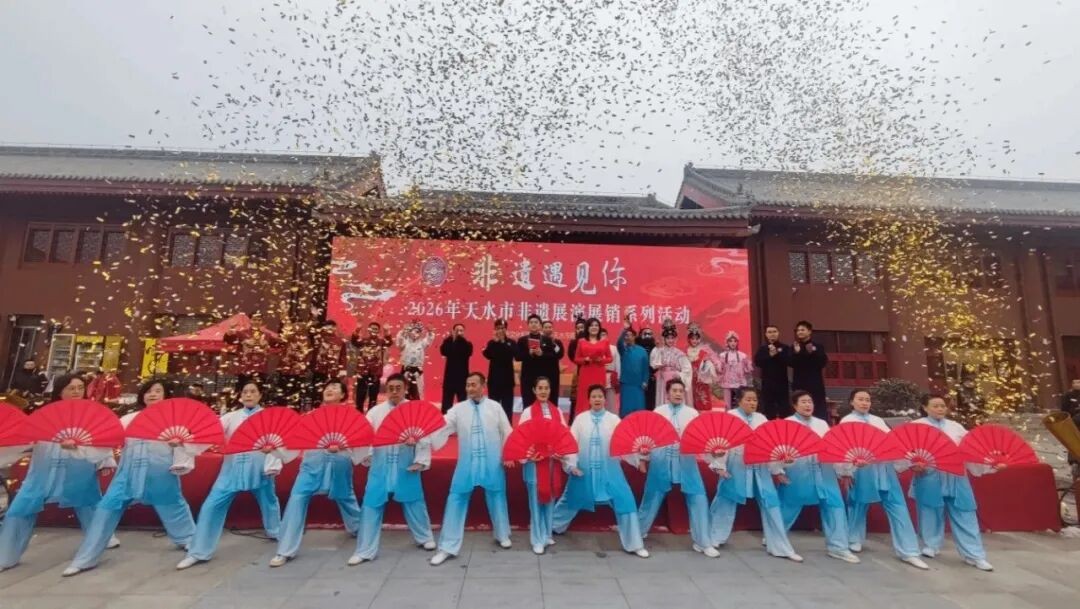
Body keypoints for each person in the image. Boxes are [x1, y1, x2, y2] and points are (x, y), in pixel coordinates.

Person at [64, 379, 202, 576]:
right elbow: (105, 440)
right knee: (105, 510)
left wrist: (180, 445)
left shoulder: (176, 421)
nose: (152, 394)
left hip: (160, 473)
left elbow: (193, 444)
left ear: (167, 396)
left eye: (158, 391)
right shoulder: (128, 419)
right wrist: (77, 446)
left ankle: (190, 541)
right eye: (148, 391)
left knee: (174, 506)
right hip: (127, 475)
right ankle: (85, 558)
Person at [0, 374, 117, 572]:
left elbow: (103, 439)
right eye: (71, 388)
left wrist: (105, 460)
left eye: (80, 387)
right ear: (60, 391)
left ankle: (103, 540)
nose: (76, 392)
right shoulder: (44, 414)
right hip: (43, 471)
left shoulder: (90, 413)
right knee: (20, 510)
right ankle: (5, 556)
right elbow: (27, 438)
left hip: (79, 469)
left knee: (89, 505)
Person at [177, 380, 285, 569]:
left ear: (260, 395)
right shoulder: (230, 417)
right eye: (245, 392)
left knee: (269, 501)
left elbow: (280, 443)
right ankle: (198, 551)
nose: (249, 395)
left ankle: (276, 531)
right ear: (240, 396)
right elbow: (210, 433)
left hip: (259, 468)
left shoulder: (268, 417)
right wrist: (185, 440)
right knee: (211, 506)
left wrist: (273, 458)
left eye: (253, 391)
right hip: (231, 469)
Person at [269, 380, 363, 567]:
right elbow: (294, 442)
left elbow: (361, 442)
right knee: (297, 499)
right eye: (327, 387)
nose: (329, 389)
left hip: (339, 463)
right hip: (312, 464)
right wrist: (274, 449)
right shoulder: (310, 417)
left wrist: (344, 446)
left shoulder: (350, 417)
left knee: (346, 497)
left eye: (335, 388)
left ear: (343, 395)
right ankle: (285, 549)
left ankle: (359, 529)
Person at [553, 384, 649, 558]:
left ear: (605, 399)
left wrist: (639, 457)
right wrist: (571, 466)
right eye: (594, 396)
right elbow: (571, 444)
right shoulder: (581, 419)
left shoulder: (614, 420)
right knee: (570, 500)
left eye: (600, 396)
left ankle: (634, 544)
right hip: (584, 470)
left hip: (610, 472)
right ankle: (552, 527)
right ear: (589, 400)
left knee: (626, 502)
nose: (597, 399)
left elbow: (624, 443)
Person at [708, 388, 803, 562]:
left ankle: (780, 546)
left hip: (760, 466)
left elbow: (769, 445)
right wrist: (719, 465)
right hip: (736, 463)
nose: (752, 403)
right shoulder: (730, 417)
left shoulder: (761, 419)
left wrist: (778, 468)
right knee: (725, 500)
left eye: (755, 400)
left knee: (771, 503)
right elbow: (721, 442)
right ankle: (713, 538)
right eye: (748, 399)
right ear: (739, 401)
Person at [350, 373, 436, 564]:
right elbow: (366, 435)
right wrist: (368, 455)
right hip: (380, 465)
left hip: (405, 463)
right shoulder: (375, 412)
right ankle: (365, 550)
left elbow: (424, 436)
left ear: (405, 389)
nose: (394, 392)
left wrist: (419, 457)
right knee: (371, 504)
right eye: (391, 388)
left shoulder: (414, 410)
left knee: (414, 500)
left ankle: (425, 537)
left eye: (398, 388)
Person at [429, 372, 513, 566]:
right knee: (456, 497)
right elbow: (442, 425)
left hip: (492, 460)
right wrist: (424, 433)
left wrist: (508, 454)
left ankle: (502, 534)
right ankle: (447, 546)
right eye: (468, 385)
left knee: (497, 494)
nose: (470, 388)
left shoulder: (495, 407)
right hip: (467, 462)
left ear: (483, 386)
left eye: (474, 384)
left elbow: (507, 431)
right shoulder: (458, 409)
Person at [840, 389, 929, 570]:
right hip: (862, 469)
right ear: (851, 402)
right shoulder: (847, 421)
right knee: (857, 504)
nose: (864, 403)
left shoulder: (878, 421)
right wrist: (847, 470)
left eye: (867, 400)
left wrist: (909, 461)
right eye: (860, 399)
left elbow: (893, 444)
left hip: (885, 468)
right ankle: (854, 539)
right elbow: (843, 447)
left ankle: (909, 551)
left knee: (898, 508)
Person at [910, 394, 995, 571]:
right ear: (925, 408)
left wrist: (990, 463)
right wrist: (913, 464)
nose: (940, 409)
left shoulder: (956, 427)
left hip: (956, 476)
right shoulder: (916, 426)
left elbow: (970, 449)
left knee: (965, 513)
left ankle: (974, 554)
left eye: (942, 406)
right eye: (935, 406)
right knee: (929, 511)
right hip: (929, 474)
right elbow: (908, 451)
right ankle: (931, 545)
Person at [776, 391, 860, 563]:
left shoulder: (821, 424)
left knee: (835, 506)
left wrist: (846, 469)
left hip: (824, 471)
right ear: (795, 405)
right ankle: (775, 539)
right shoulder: (788, 423)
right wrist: (779, 467)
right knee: (789, 506)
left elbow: (831, 448)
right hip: (798, 470)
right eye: (803, 402)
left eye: (810, 401)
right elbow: (778, 449)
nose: (808, 405)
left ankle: (838, 547)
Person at [638, 379, 716, 557]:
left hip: (686, 461)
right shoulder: (658, 412)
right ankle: (638, 534)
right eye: (674, 390)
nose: (678, 394)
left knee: (698, 498)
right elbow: (648, 438)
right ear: (667, 393)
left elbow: (701, 438)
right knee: (651, 498)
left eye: (681, 391)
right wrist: (643, 458)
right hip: (661, 460)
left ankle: (703, 542)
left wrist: (714, 455)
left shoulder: (692, 413)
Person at [518, 377, 566, 555]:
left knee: (550, 498)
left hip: (552, 461)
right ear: (534, 390)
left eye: (546, 388)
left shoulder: (557, 412)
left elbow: (563, 434)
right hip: (535, 462)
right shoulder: (528, 412)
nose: (543, 391)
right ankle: (537, 539)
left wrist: (561, 451)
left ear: (550, 390)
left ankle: (546, 533)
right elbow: (521, 437)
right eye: (540, 388)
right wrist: (530, 454)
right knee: (536, 501)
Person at [789, 321, 829, 421]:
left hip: (815, 383)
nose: (799, 332)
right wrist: (797, 353)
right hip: (799, 383)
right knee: (799, 407)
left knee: (818, 409)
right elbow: (790, 363)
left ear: (809, 331)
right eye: (798, 330)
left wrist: (812, 353)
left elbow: (822, 363)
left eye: (802, 330)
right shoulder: (794, 346)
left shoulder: (818, 346)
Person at [573, 318, 612, 418]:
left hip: (599, 371)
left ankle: (599, 418)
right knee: (584, 396)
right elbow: (576, 359)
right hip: (586, 372)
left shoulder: (605, 342)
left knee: (598, 394)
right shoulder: (581, 341)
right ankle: (582, 419)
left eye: (596, 325)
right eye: (591, 325)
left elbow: (610, 358)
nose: (594, 327)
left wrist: (601, 360)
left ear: (599, 328)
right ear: (587, 328)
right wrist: (584, 360)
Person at [516, 314, 557, 409]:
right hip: (527, 376)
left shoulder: (547, 339)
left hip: (543, 376)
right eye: (531, 322)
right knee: (527, 402)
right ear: (528, 325)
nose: (533, 324)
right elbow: (517, 357)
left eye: (536, 322)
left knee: (543, 403)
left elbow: (553, 356)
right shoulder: (522, 340)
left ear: (540, 325)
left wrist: (542, 354)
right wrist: (528, 353)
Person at [649, 322, 692, 409]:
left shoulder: (679, 353)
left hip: (674, 379)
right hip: (662, 380)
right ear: (664, 339)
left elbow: (687, 369)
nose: (670, 340)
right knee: (663, 401)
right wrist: (657, 349)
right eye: (668, 338)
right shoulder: (659, 350)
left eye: (672, 338)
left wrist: (679, 375)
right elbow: (654, 364)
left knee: (675, 397)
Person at [754, 325, 791, 419]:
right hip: (767, 382)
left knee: (784, 407)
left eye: (774, 331)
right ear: (766, 334)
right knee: (768, 406)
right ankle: (770, 424)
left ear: (778, 333)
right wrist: (769, 356)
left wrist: (777, 355)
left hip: (782, 382)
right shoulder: (762, 349)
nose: (772, 334)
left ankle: (784, 425)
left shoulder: (785, 347)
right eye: (769, 332)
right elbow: (757, 362)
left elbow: (789, 361)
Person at [482, 319, 517, 420]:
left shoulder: (511, 342)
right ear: (495, 329)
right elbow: (487, 355)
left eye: (502, 328)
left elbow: (514, 354)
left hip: (507, 381)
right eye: (498, 328)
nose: (500, 330)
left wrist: (502, 342)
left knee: (507, 408)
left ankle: (507, 427)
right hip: (494, 380)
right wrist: (495, 343)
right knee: (493, 408)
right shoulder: (492, 343)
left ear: (506, 329)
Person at [352, 322, 389, 412]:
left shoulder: (381, 342)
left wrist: (386, 331)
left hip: (375, 372)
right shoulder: (363, 341)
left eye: (376, 329)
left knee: (373, 396)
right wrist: (357, 330)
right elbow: (354, 342)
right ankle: (359, 413)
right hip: (363, 371)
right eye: (372, 328)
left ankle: (371, 414)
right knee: (360, 394)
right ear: (368, 330)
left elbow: (389, 342)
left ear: (378, 331)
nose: (373, 330)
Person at [616, 321, 650, 417]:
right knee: (625, 410)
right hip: (626, 384)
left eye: (630, 335)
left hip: (638, 385)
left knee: (639, 410)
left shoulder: (642, 351)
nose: (628, 337)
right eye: (626, 335)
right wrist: (624, 329)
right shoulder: (623, 350)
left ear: (634, 337)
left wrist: (645, 381)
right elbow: (619, 342)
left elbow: (645, 368)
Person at [396, 321, 435, 400]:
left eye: (417, 332)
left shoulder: (422, 343)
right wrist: (403, 331)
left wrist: (430, 332)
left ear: (420, 333)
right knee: (404, 393)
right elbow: (399, 341)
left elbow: (429, 340)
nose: (414, 334)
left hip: (417, 372)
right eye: (412, 331)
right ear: (409, 332)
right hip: (406, 370)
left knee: (418, 393)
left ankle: (418, 406)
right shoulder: (405, 341)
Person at [439, 323, 473, 413]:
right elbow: (443, 351)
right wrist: (452, 339)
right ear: (453, 331)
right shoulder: (449, 342)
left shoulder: (467, 344)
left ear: (464, 332)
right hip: (449, 379)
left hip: (462, 379)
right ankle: (445, 420)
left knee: (463, 404)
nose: (459, 332)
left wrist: (461, 340)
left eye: (461, 330)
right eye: (457, 330)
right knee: (446, 404)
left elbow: (468, 352)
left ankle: (463, 420)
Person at [686, 324, 720, 411]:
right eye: (692, 339)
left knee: (703, 400)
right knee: (691, 401)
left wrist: (707, 364)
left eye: (696, 339)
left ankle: (704, 417)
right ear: (689, 339)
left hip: (701, 381)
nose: (694, 341)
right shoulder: (686, 351)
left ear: (699, 339)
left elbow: (711, 364)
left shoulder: (703, 351)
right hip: (690, 381)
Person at [717, 331, 752, 410]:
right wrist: (718, 365)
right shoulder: (723, 355)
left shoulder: (742, 355)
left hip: (739, 382)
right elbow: (720, 370)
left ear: (737, 342)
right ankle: (728, 416)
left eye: (735, 341)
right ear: (727, 342)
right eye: (730, 341)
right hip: (727, 382)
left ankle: (739, 415)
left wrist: (748, 365)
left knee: (739, 402)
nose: (733, 343)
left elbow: (747, 370)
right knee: (727, 404)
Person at [566, 318, 588, 414]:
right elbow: (571, 356)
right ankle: (573, 418)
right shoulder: (573, 342)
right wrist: (580, 361)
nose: (580, 330)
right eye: (578, 328)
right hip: (579, 370)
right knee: (576, 396)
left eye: (582, 327)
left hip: (591, 371)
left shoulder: (591, 340)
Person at [541, 320, 565, 403]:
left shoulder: (557, 342)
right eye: (546, 327)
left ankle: (553, 409)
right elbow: (540, 355)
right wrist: (551, 355)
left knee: (553, 392)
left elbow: (560, 354)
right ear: (542, 329)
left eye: (550, 327)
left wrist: (553, 343)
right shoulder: (539, 341)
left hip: (554, 372)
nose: (548, 329)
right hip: (541, 371)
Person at [637, 327, 658, 411]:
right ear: (640, 335)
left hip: (651, 379)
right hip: (638, 379)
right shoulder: (636, 348)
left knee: (650, 403)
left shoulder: (656, 348)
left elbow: (657, 365)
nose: (647, 336)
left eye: (649, 334)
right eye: (645, 334)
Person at [600, 329, 620, 414]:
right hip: (598, 375)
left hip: (610, 376)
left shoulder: (614, 348)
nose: (602, 336)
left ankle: (613, 418)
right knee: (599, 398)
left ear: (607, 336)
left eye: (604, 334)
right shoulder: (595, 347)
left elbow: (618, 363)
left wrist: (618, 377)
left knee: (611, 401)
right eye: (601, 335)